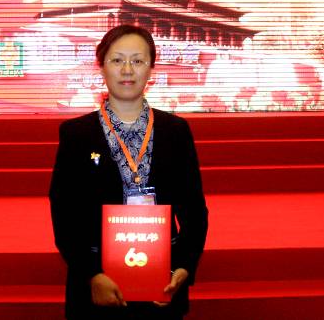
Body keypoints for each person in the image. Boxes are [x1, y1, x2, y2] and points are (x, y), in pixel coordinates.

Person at [50, 24, 208, 319]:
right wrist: (92, 275)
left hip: (163, 280)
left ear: (151, 69)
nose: (127, 70)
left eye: (137, 60)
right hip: (98, 284)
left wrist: (183, 268)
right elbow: (64, 213)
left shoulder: (176, 131)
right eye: (117, 60)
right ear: (101, 66)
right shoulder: (76, 134)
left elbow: (194, 210)